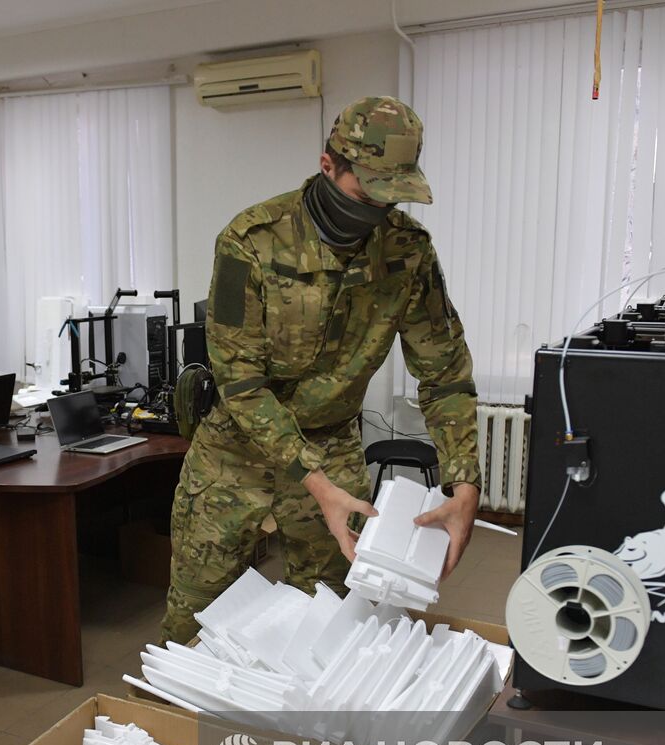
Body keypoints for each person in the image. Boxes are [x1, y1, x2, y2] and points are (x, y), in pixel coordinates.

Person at [159, 96, 481, 645]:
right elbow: (240, 380)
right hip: (236, 455)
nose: (377, 213)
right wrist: (314, 483)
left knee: (334, 623)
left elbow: (444, 370)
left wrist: (464, 479)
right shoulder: (252, 241)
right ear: (328, 165)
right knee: (198, 625)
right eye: (366, 195)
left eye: (390, 198)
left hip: (333, 447)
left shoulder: (408, 252)